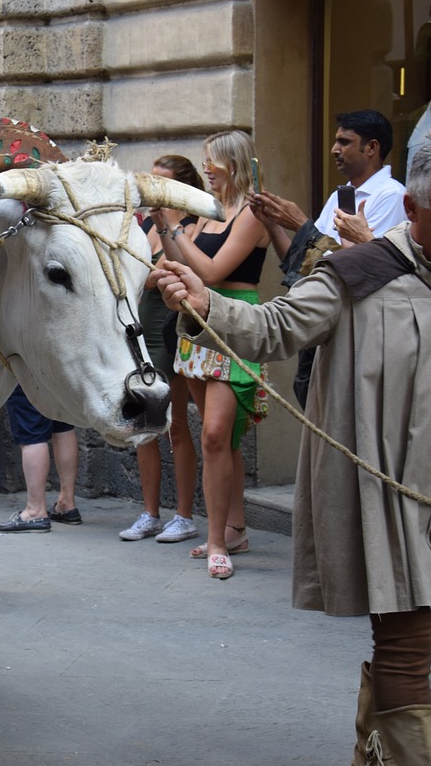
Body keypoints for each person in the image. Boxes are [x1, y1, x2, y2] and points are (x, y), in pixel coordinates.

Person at [155, 132, 431, 764]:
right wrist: (208, 304)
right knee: (406, 653)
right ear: (412, 211)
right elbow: (275, 327)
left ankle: (372, 754)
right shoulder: (359, 274)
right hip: (395, 497)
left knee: (413, 651)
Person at [150, 130, 269, 579]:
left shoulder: (251, 212)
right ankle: (233, 527)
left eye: (211, 163)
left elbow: (214, 269)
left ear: (233, 164)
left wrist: (177, 227)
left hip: (235, 320)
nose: (206, 171)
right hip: (196, 325)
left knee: (215, 435)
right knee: (221, 439)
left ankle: (217, 539)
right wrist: (165, 223)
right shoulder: (207, 212)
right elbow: (176, 259)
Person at [251, 110, 407, 407]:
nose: (335, 150)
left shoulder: (392, 195)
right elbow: (306, 266)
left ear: (372, 147)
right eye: (336, 141)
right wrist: (271, 224)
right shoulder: (341, 195)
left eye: (345, 142)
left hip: (357, 330)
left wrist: (300, 224)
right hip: (322, 325)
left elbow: (363, 266)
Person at [121, 155, 201, 543]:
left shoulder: (189, 225)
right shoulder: (146, 225)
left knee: (178, 427)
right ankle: (150, 512)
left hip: (170, 332)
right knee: (144, 425)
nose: (150, 188)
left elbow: (179, 271)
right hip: (140, 333)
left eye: (160, 182)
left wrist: (145, 274)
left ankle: (184, 515)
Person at [0, 385, 80, 533]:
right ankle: (67, 503)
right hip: (59, 367)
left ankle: (34, 512)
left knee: (30, 430)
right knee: (63, 425)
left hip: (29, 368)